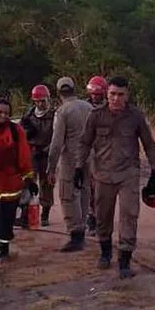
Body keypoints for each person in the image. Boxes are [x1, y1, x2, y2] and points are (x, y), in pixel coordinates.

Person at [77, 76, 155, 278]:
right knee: (102, 216)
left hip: (128, 174)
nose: (115, 98)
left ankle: (124, 259)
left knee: (129, 215)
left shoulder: (136, 117)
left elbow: (149, 144)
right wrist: (79, 167)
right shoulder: (96, 116)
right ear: (107, 94)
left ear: (127, 95)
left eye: (120, 94)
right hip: (102, 174)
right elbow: (84, 142)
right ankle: (105, 252)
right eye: (112, 94)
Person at [0, 98, 37, 277]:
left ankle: (4, 246)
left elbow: (24, 156)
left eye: (6, 113)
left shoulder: (16, 131)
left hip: (11, 186)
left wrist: (29, 179)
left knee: (6, 223)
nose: (3, 116)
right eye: (0, 112)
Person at [47, 77, 93, 252]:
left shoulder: (63, 111)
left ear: (58, 93)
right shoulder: (89, 108)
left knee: (68, 194)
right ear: (74, 89)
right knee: (84, 192)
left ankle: (75, 234)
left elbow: (57, 143)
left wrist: (51, 166)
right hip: (88, 157)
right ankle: (81, 228)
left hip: (70, 158)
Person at [18, 84, 55, 227]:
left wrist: (48, 149)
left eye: (43, 101)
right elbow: (21, 135)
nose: (40, 104)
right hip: (32, 152)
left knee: (47, 184)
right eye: (37, 101)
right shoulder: (28, 116)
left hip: (47, 152)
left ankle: (45, 213)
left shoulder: (54, 115)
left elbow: (58, 136)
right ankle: (25, 212)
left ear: (48, 99)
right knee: (28, 182)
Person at [84, 75, 108, 235]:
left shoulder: (110, 107)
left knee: (104, 188)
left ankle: (101, 218)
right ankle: (91, 216)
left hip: (106, 151)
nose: (96, 98)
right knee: (91, 187)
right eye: (94, 94)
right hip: (90, 151)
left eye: (98, 95)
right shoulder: (84, 107)